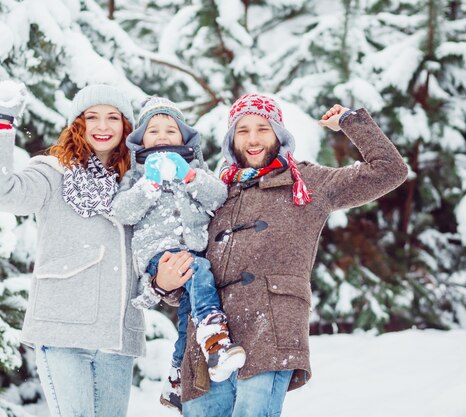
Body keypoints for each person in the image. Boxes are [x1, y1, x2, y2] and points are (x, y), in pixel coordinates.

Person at [153, 93, 408, 417]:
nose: (253, 139)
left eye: (262, 128)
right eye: (242, 131)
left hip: (270, 330)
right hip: (208, 346)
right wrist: (164, 284)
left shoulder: (308, 181)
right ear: (232, 140)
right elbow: (192, 275)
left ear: (278, 133)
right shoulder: (215, 191)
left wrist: (350, 121)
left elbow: (390, 170)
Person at [0, 81, 148, 417]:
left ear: (126, 126)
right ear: (78, 124)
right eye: (92, 117)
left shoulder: (138, 182)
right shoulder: (52, 172)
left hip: (117, 337)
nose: (102, 126)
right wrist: (1, 122)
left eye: (113, 117)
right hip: (63, 328)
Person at [112, 97, 246, 411]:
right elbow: (123, 212)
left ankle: (175, 381)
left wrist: (189, 177)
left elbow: (218, 196)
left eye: (170, 130)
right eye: (153, 130)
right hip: (160, 255)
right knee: (198, 271)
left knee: (188, 319)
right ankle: (215, 341)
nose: (162, 136)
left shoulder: (196, 169)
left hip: (195, 250)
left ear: (184, 137)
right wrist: (151, 184)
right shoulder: (136, 175)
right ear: (141, 140)